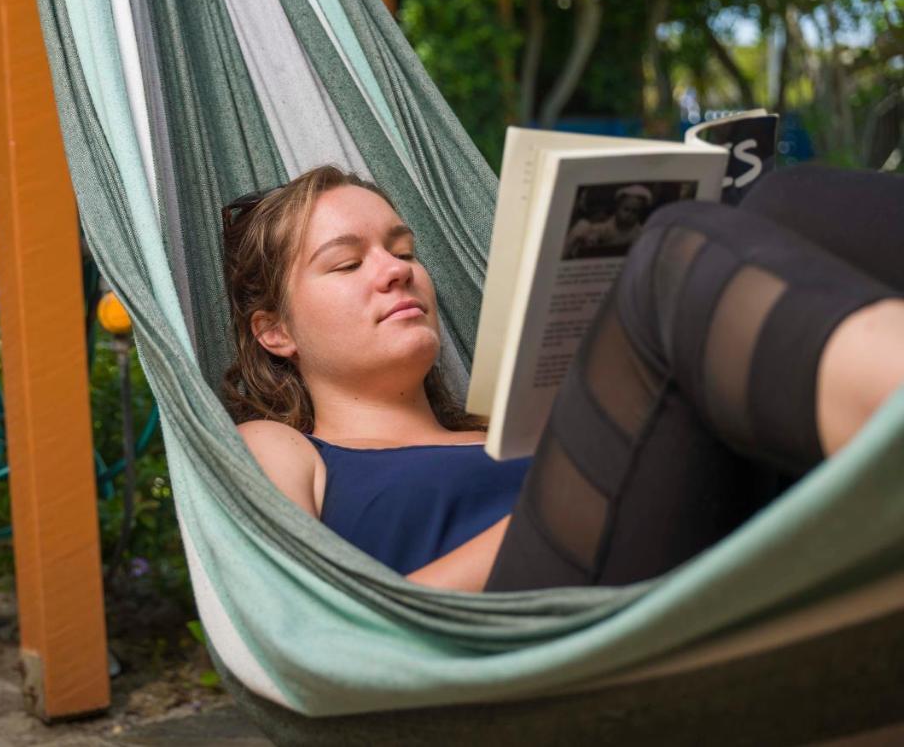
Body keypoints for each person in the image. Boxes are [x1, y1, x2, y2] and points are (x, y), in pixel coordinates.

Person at [221, 164, 904, 592]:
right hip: (527, 646)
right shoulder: (284, 447)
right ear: (273, 331)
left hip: (713, 547)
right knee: (670, 253)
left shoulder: (510, 420)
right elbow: (309, 619)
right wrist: (594, 487)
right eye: (346, 264)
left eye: (403, 250)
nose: (397, 269)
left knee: (780, 201)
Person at [563, 184, 651, 258]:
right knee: (582, 226)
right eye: (626, 209)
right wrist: (591, 238)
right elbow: (596, 232)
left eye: (634, 211)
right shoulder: (608, 225)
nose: (629, 215)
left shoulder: (639, 232)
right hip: (600, 261)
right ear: (617, 208)